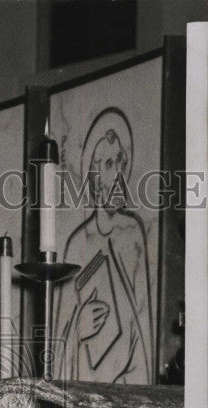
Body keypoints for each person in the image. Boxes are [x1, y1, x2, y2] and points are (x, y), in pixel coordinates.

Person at [54, 112, 153, 383]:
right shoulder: (77, 244)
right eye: (110, 164)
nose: (119, 174)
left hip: (130, 383)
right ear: (95, 179)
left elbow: (143, 325)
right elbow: (59, 339)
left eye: (121, 162)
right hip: (87, 385)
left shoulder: (133, 233)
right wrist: (77, 328)